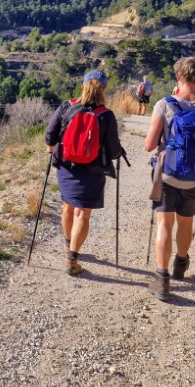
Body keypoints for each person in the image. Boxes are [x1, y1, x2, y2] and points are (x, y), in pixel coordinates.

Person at [144, 57, 195, 301]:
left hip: (167, 174)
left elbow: (149, 145)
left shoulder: (164, 105)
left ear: (178, 77)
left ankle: (162, 279)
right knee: (185, 222)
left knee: (164, 224)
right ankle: (181, 262)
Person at [45, 70, 124, 275]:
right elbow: (113, 150)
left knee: (68, 207)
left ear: (83, 86)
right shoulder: (106, 115)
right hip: (92, 170)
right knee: (83, 213)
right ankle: (72, 258)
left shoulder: (67, 106)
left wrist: (51, 147)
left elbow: (50, 132)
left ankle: (68, 244)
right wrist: (117, 152)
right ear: (104, 89)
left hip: (66, 166)